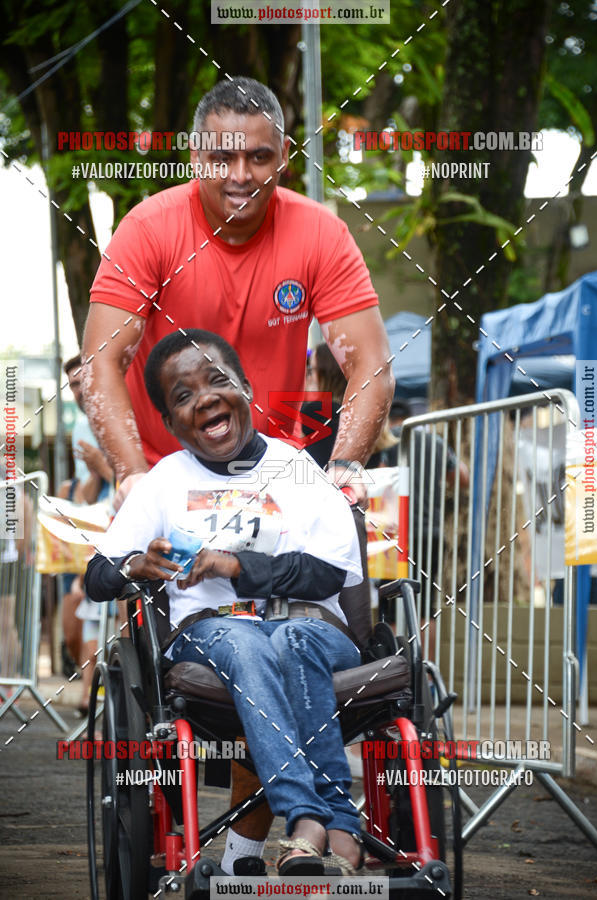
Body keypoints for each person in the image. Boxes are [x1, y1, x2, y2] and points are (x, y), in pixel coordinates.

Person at [81, 76, 394, 870]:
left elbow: (368, 364)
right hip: (170, 466)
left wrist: (344, 467)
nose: (241, 173)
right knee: (220, 640)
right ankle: (257, 826)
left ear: (284, 155)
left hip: (277, 466)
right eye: (223, 156)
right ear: (196, 155)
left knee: (284, 636)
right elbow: (101, 362)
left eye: (259, 156)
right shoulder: (150, 228)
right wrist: (131, 474)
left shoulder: (318, 232)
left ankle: (253, 845)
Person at [85, 330, 365, 874]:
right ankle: (317, 818)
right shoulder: (164, 482)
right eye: (183, 395)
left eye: (217, 380)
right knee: (245, 641)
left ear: (246, 389)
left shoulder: (297, 467)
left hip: (311, 628)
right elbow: (97, 576)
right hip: (214, 632)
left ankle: (315, 822)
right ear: (170, 423)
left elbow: (330, 572)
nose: (205, 398)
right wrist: (134, 564)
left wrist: (234, 566)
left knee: (291, 639)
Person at [60, 355, 114, 713]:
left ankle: (94, 698)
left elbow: (137, 487)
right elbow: (86, 497)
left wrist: (103, 467)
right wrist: (96, 470)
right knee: (80, 615)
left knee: (100, 612)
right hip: (95, 534)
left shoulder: (124, 415)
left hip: (129, 535)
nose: (78, 391)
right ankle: (90, 696)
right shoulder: (82, 427)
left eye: (82, 381)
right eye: (73, 385)